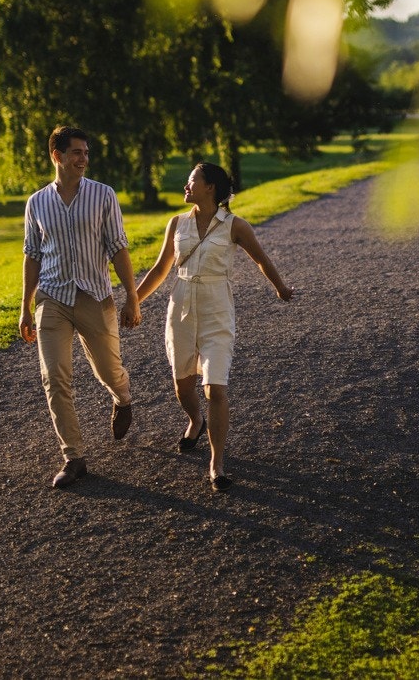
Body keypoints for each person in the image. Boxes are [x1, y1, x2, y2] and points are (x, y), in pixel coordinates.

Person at [137, 162, 292, 492]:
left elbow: (261, 258)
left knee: (215, 388)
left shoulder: (235, 225)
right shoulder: (176, 223)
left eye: (192, 180)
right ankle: (195, 420)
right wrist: (132, 300)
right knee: (183, 384)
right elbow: (160, 268)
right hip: (180, 307)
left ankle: (216, 464)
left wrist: (279, 287)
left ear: (210, 188)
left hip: (217, 309)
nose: (186, 185)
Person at [20, 126, 142, 488]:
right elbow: (31, 255)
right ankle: (73, 456)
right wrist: (25, 306)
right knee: (53, 377)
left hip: (94, 295)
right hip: (52, 297)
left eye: (86, 153)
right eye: (76, 153)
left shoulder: (104, 195)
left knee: (108, 369)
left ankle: (122, 397)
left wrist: (132, 297)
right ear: (56, 156)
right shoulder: (36, 203)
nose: (84, 159)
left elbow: (118, 247)